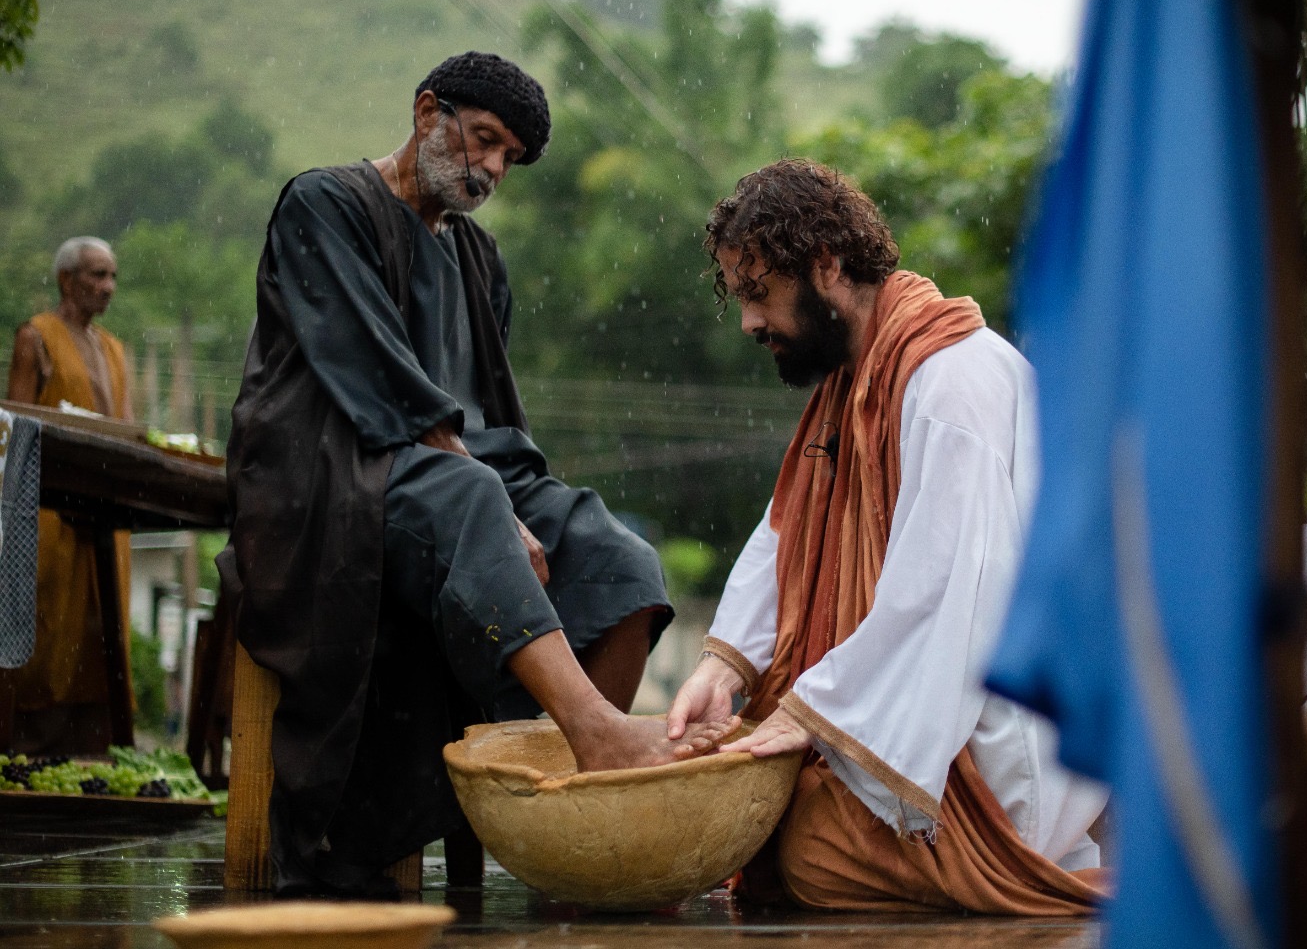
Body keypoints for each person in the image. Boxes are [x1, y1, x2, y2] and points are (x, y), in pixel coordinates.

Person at [218, 51, 733, 899]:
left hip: (453, 480)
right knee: (474, 494)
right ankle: (596, 737)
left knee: (617, 557)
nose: (492, 168)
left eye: (508, 159)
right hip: (325, 478)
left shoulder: (476, 260)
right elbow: (375, 380)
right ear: (427, 111)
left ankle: (578, 820)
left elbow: (492, 418)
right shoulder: (325, 205)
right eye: (484, 140)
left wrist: (524, 507)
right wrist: (493, 503)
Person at [666, 159, 1109, 914]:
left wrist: (809, 716)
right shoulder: (856, 377)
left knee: (799, 847)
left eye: (757, 293)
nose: (748, 323)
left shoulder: (950, 381)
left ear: (827, 267)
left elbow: (946, 594)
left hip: (995, 743)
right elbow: (786, 534)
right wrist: (724, 665)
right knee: (747, 799)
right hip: (921, 709)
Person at [1, 236, 134, 755]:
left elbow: (125, 427)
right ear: (66, 279)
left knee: (103, 634)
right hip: (50, 512)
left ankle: (94, 758)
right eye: (97, 275)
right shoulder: (37, 337)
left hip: (107, 511)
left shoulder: (115, 349)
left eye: (113, 277)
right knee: (50, 626)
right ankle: (26, 756)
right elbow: (14, 428)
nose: (108, 287)